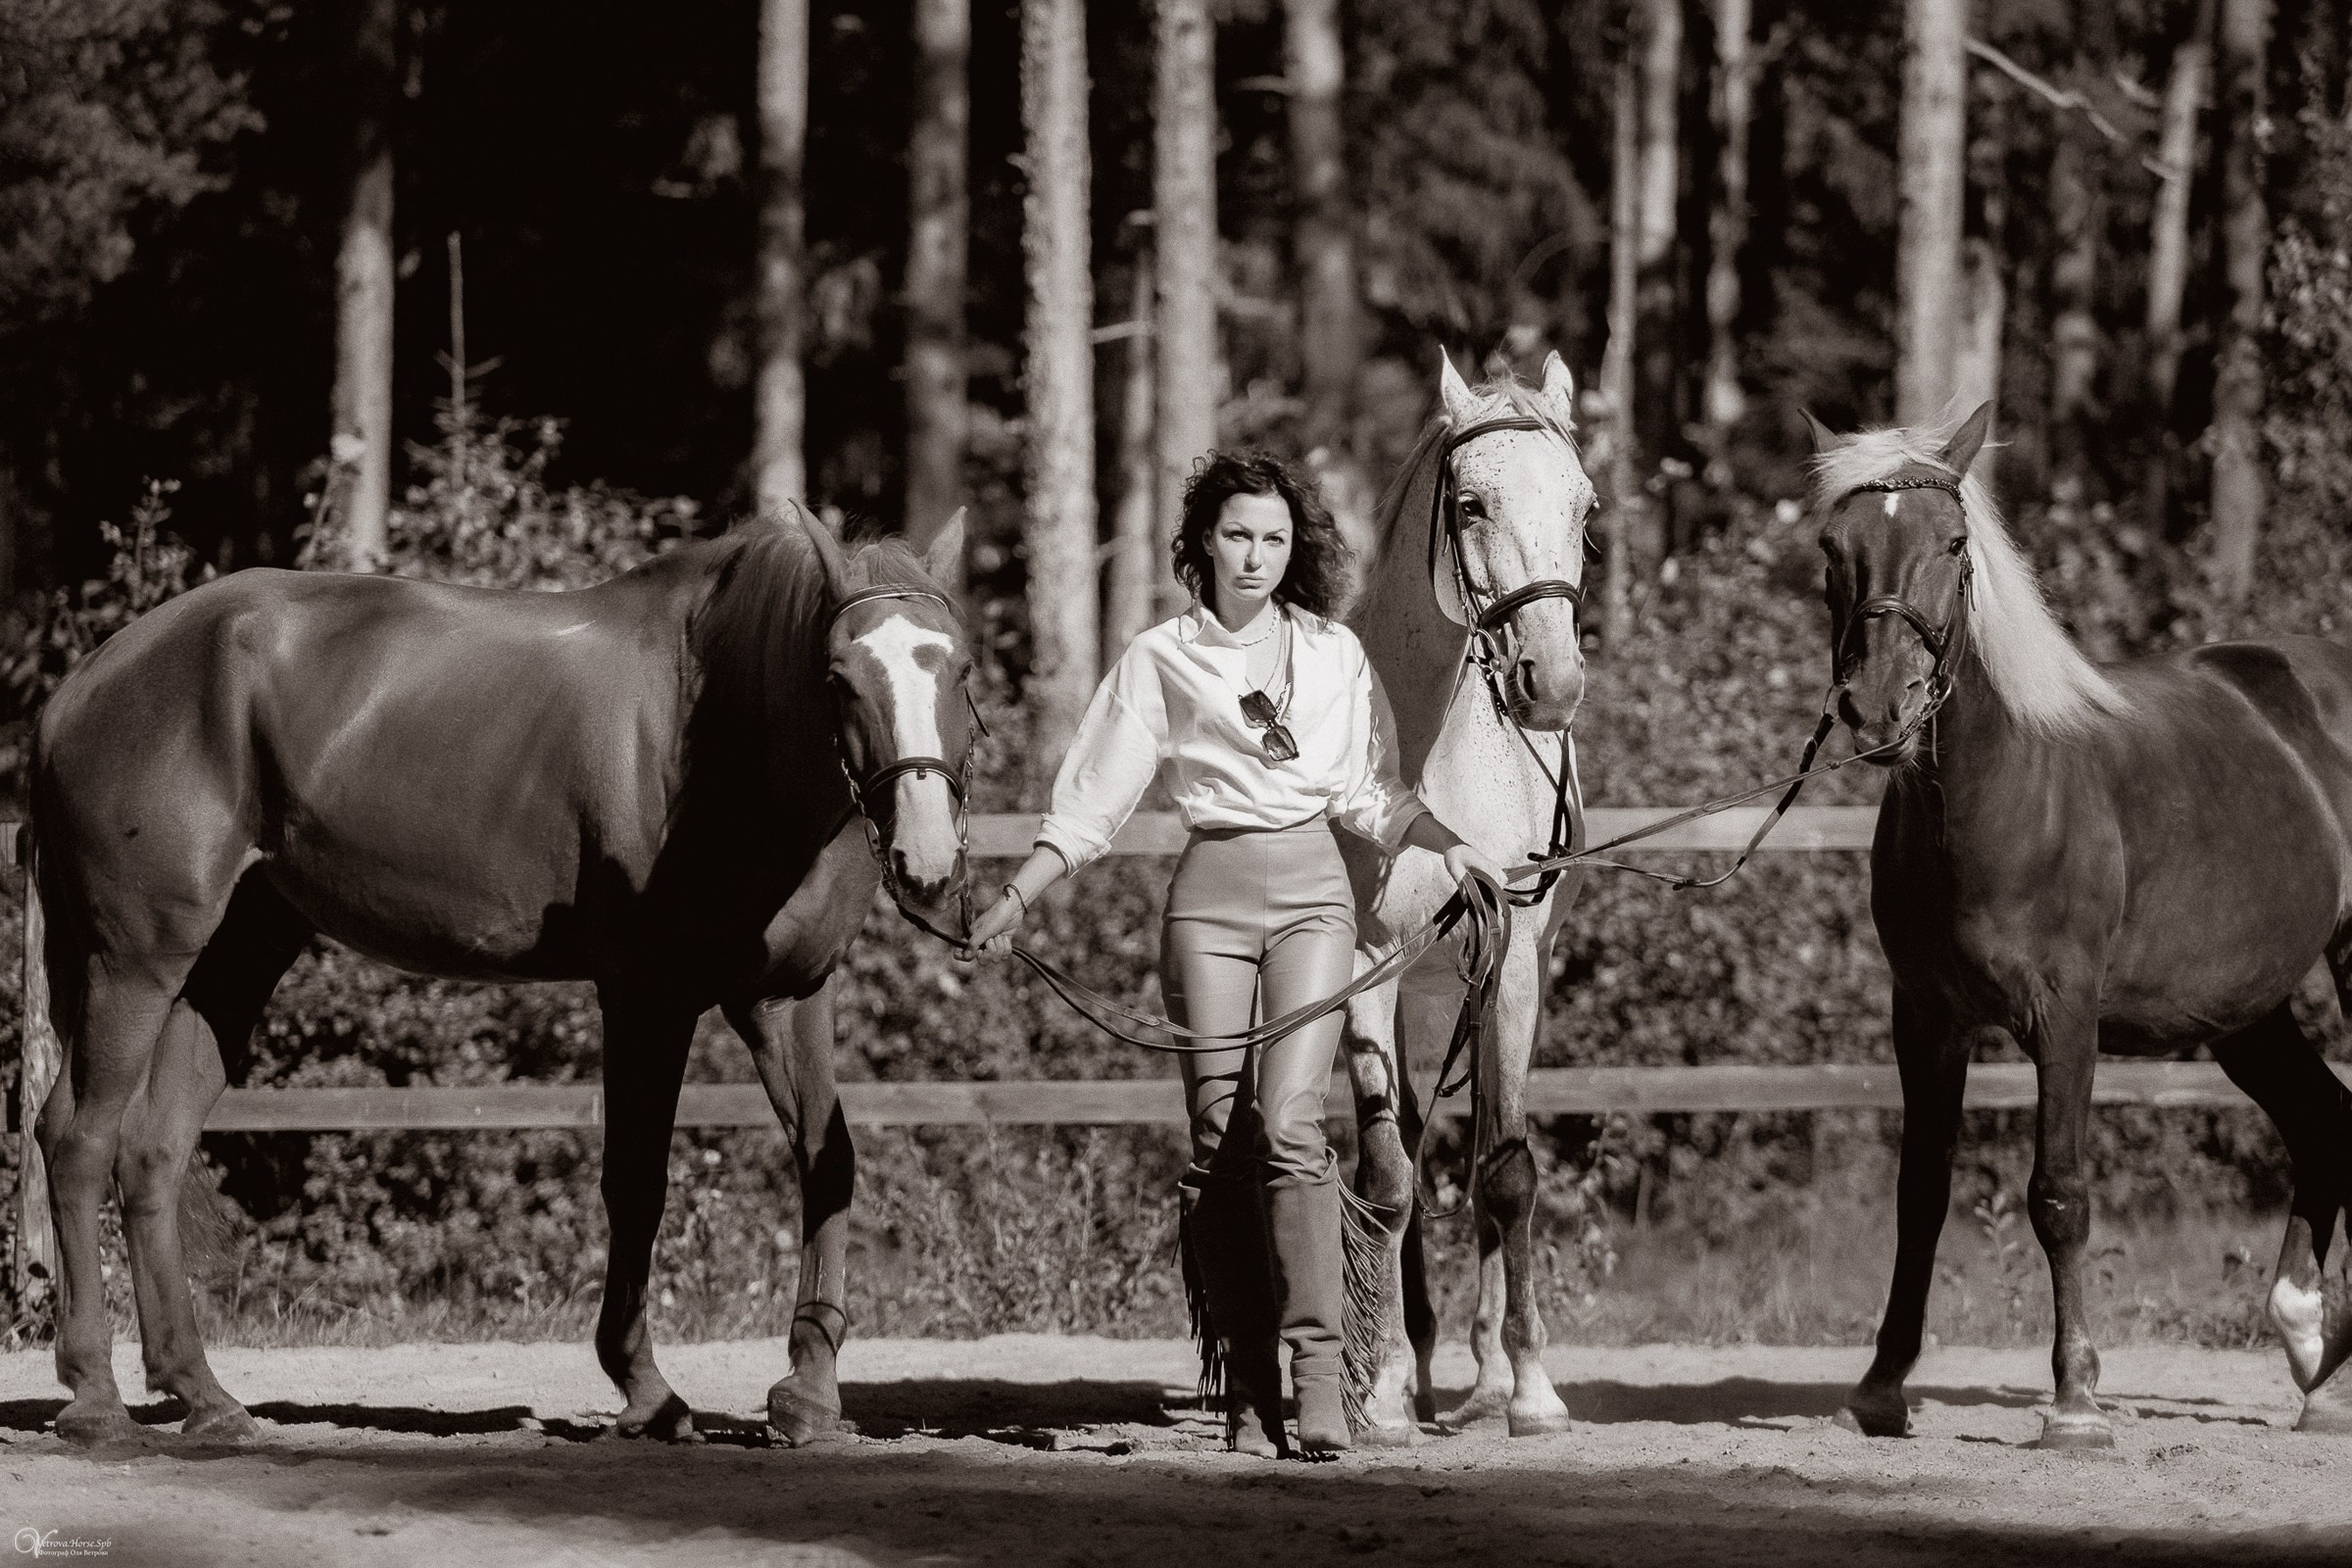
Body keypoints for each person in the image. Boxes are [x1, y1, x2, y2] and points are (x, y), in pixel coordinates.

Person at [962, 451, 1505, 1457]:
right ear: (1202, 544)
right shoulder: (1161, 658)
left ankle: (1320, 1379)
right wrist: (1013, 894)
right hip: (1208, 899)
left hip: (1313, 897)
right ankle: (1249, 1386)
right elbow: (1092, 800)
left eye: (1275, 538)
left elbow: (1366, 792)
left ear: (1293, 549)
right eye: (1238, 535)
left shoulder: (1335, 652)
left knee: (1294, 1126)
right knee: (1218, 1141)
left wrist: (1451, 844)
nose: (1256, 555)